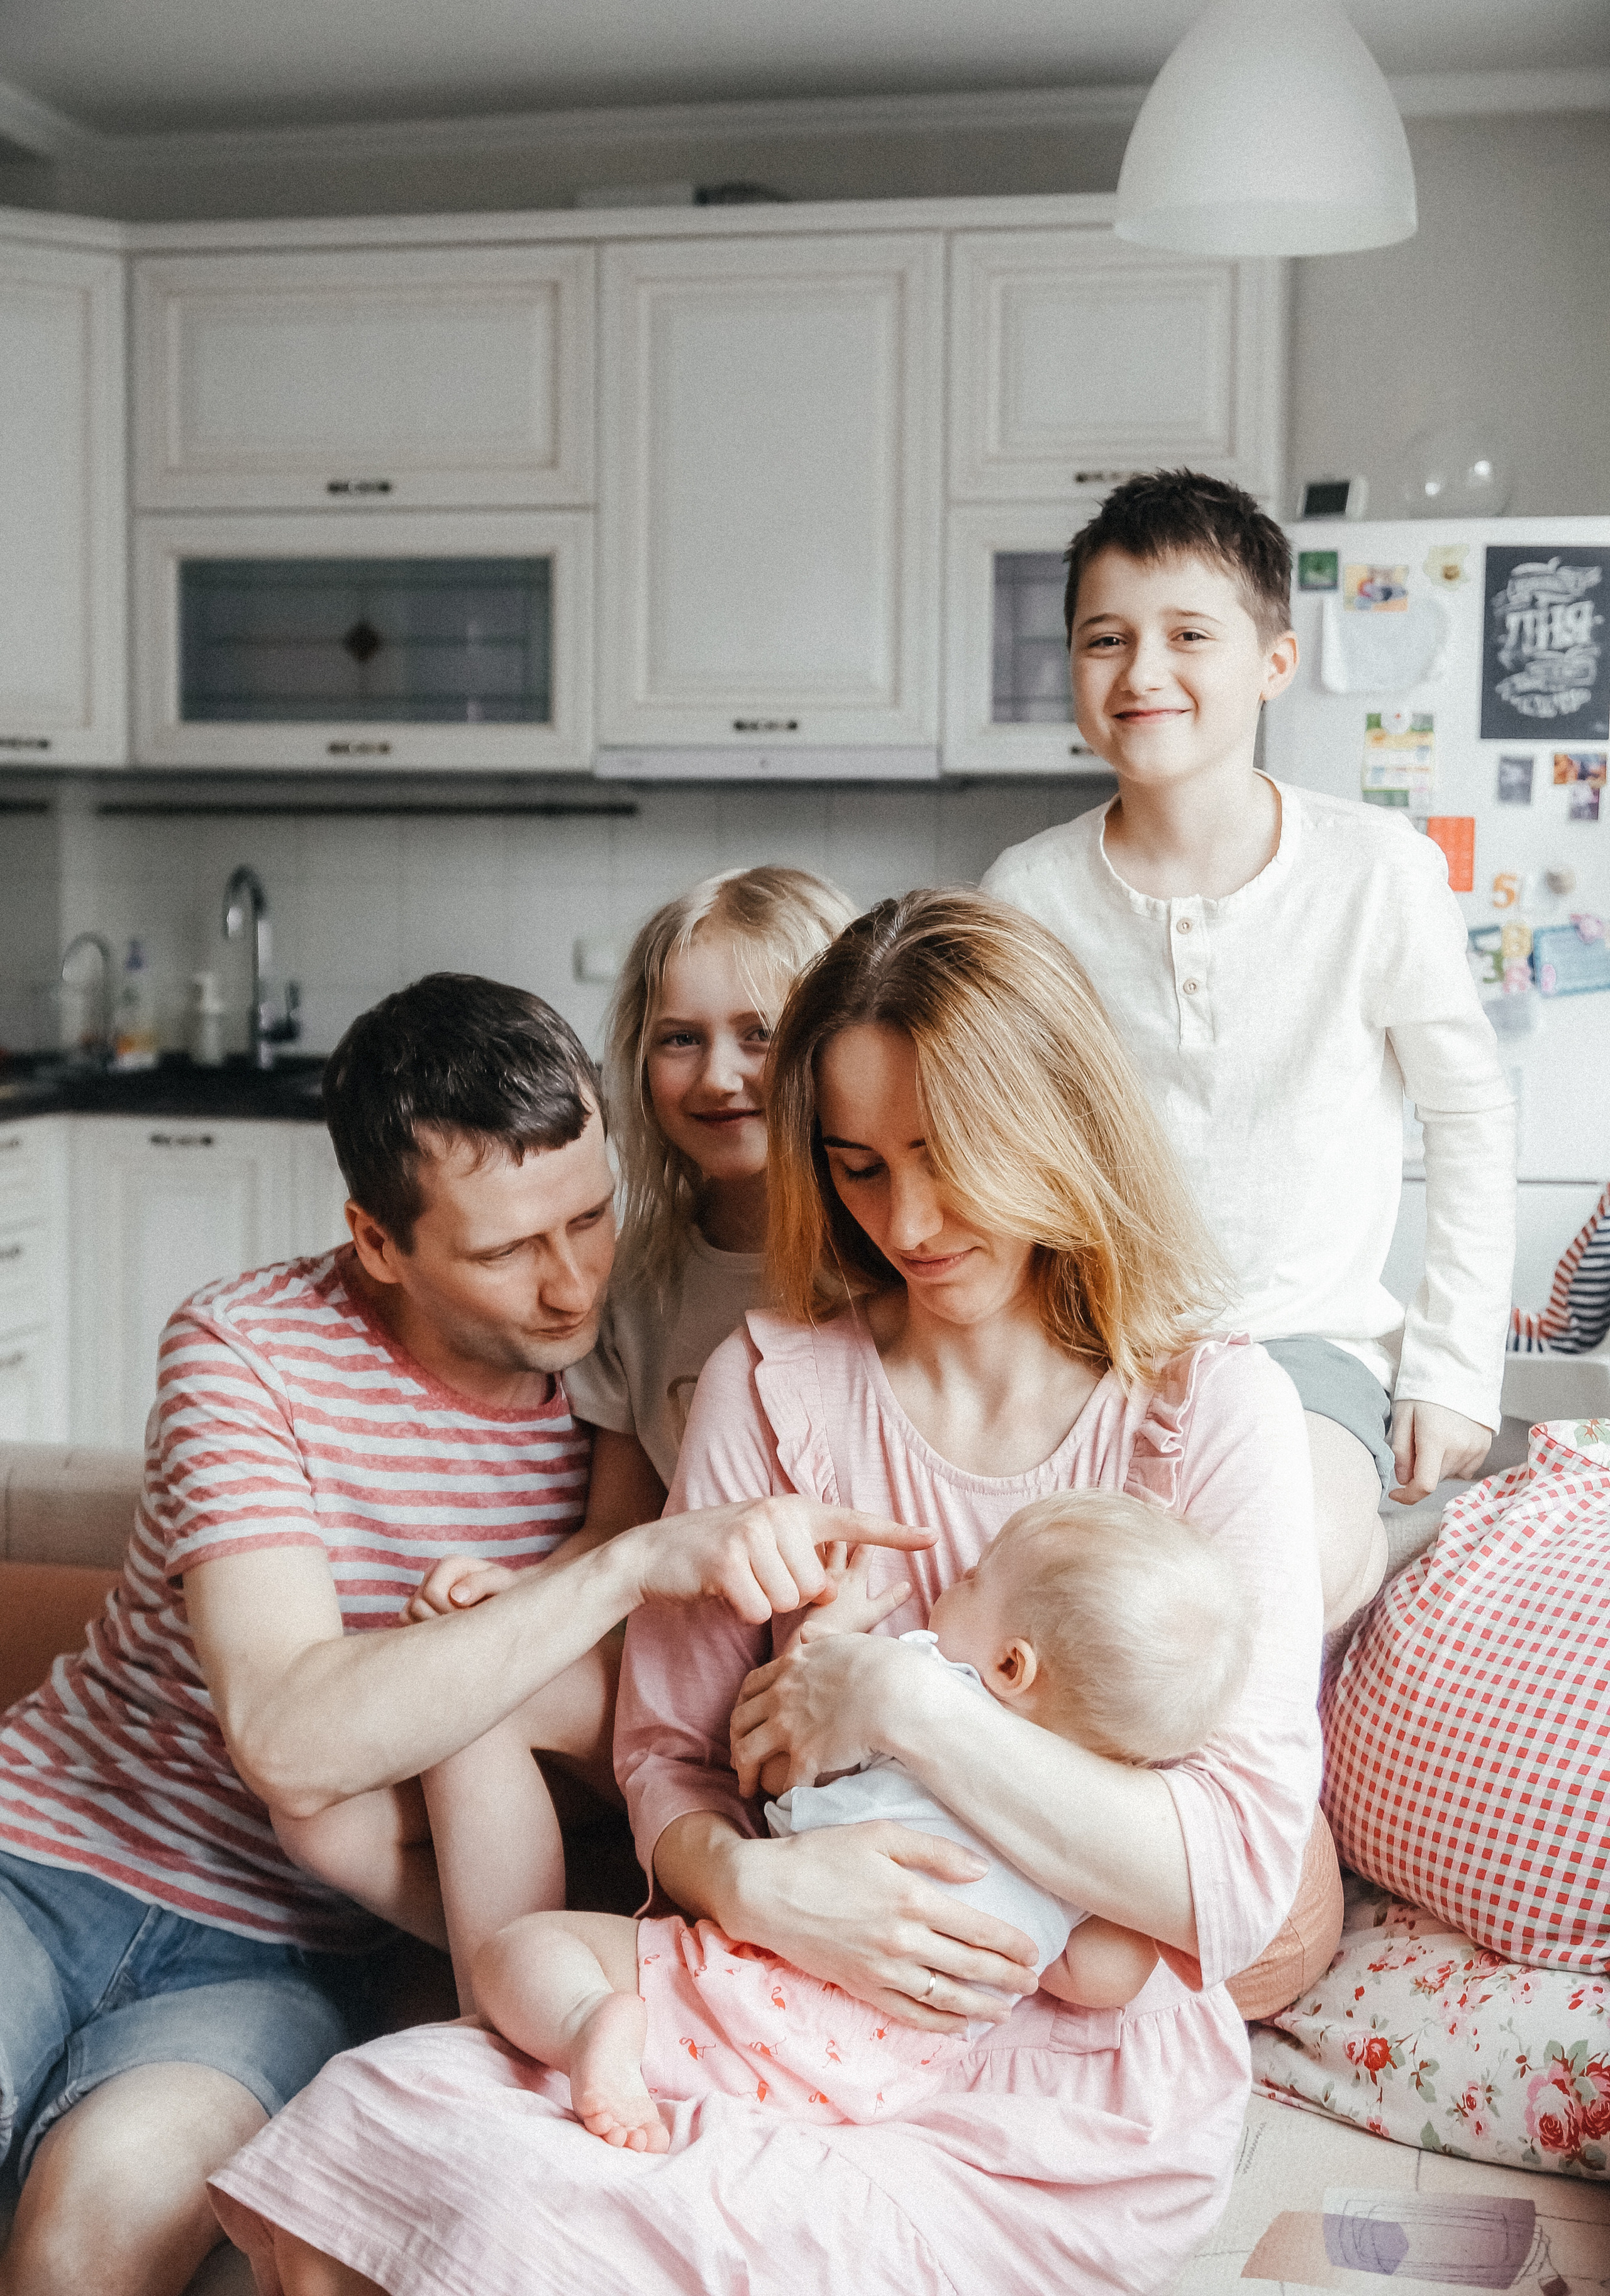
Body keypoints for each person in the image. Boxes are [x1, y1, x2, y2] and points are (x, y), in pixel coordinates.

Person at [208, 892, 1323, 2296]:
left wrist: (895, 1703)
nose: (906, 1222)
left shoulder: (1208, 1412)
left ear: (1056, 1121)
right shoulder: (773, 1381)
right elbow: (661, 1756)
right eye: (856, 1168)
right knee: (359, 2150)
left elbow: (1226, 1876)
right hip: (759, 1997)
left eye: (944, 1158)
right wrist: (750, 1881)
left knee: (521, 2238)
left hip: (1049, 2103)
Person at [0, 970, 931, 2296]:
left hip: (283, 1952)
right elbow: (290, 1734)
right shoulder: (246, 1346)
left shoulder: (635, 1401)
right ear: (377, 1241)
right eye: (504, 1251)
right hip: (43, 1856)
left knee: (92, 2226)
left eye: (592, 1219)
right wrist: (623, 1568)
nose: (570, 1289)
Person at [980, 469, 1516, 1628]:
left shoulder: (1377, 870)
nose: (1142, 673)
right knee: (1063, 1622)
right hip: (1091, 1353)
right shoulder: (1025, 893)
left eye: (1188, 636)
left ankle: (1373, 1551)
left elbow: (1469, 1120)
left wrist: (1450, 1368)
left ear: (1273, 662)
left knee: (1262, 1595)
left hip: (1301, 1348)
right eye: (1105, 639)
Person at [467, 1490, 1255, 2151]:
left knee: (525, 1948)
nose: (952, 1581)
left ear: (1011, 1667)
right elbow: (1097, 1979)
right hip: (873, 2082)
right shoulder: (1092, 1836)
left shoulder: (921, 1679)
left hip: (755, 1985)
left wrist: (824, 1640)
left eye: (973, 1578)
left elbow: (774, 1776)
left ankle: (589, 2028)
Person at [565, 865, 857, 1495]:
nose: (717, 1078)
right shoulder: (630, 1288)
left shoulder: (901, 1262)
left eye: (761, 1033)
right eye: (680, 1039)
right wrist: (512, 1587)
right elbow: (620, 1531)